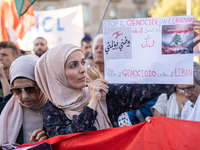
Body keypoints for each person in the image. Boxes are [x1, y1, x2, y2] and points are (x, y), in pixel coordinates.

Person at [35, 44, 172, 138]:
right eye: (73, 65)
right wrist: (93, 103)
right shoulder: (51, 109)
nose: (83, 69)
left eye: (83, 62)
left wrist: (178, 55)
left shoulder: (105, 93)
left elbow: (144, 90)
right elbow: (70, 140)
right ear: (56, 74)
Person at [0, 54, 48, 145]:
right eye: (17, 90)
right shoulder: (2, 111)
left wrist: (49, 141)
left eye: (30, 89)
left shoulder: (59, 112)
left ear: (42, 84)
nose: (24, 96)